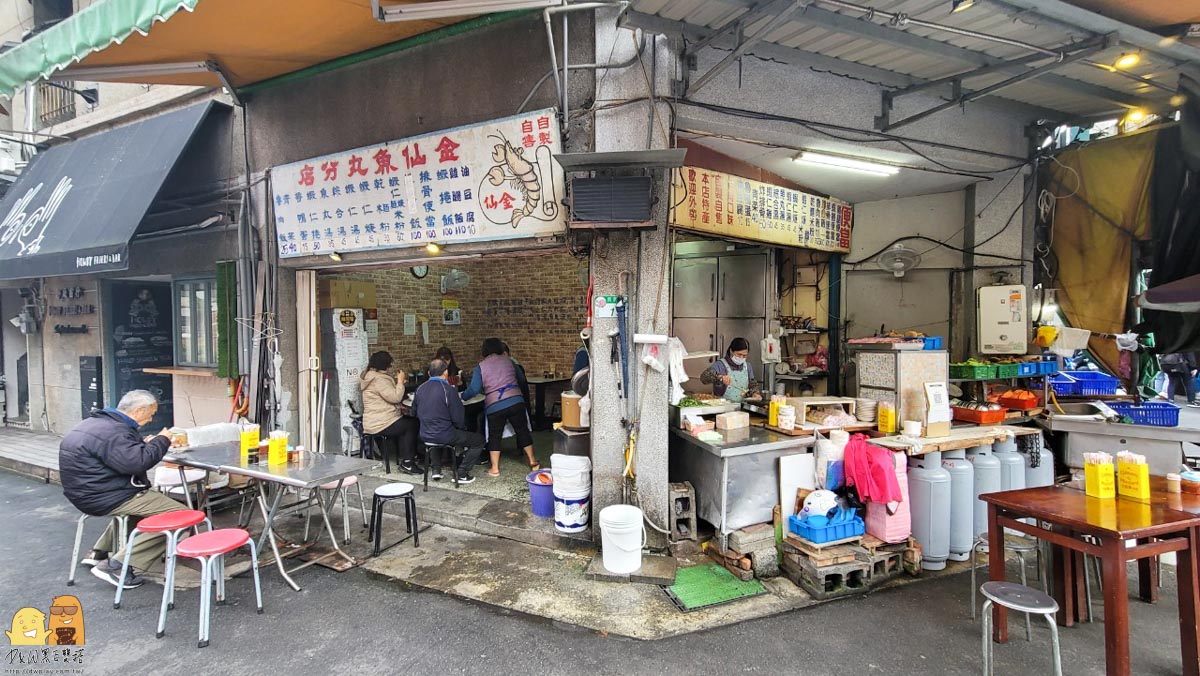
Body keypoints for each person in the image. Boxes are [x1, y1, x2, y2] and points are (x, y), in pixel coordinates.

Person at [58, 390, 178, 590]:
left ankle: (100, 552)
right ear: (139, 410)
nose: (151, 418)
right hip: (107, 496)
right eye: (151, 413)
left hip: (84, 494)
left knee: (142, 511)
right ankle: (117, 565)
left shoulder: (97, 423)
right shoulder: (116, 432)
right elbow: (138, 463)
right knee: (181, 516)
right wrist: (162, 440)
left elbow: (118, 455)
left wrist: (142, 444)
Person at [462, 338, 539, 476]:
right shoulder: (509, 361)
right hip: (516, 401)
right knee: (522, 431)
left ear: (484, 350)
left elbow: (474, 389)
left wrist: (463, 397)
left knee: (494, 436)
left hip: (495, 405)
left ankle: (495, 468)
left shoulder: (480, 367)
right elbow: (521, 379)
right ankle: (533, 461)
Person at [411, 359, 485, 483]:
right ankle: (462, 473)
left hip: (424, 435)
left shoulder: (419, 389)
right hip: (445, 435)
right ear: (445, 373)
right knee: (478, 441)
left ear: (429, 373)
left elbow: (413, 413)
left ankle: (436, 469)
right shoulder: (448, 390)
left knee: (434, 435)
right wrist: (461, 427)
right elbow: (458, 418)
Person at [360, 351, 421, 474]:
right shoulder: (378, 379)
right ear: (387, 365)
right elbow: (395, 397)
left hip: (376, 421)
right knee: (412, 425)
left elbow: (386, 399)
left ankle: (408, 456)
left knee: (408, 423)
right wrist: (400, 382)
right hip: (380, 423)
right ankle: (408, 462)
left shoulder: (370, 376)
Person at [699, 337, 761, 404]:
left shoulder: (747, 366)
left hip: (742, 408)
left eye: (744, 356)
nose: (741, 358)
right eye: (739, 354)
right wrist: (720, 378)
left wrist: (755, 393)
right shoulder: (720, 365)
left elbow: (752, 384)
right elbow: (703, 378)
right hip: (723, 407)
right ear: (731, 351)